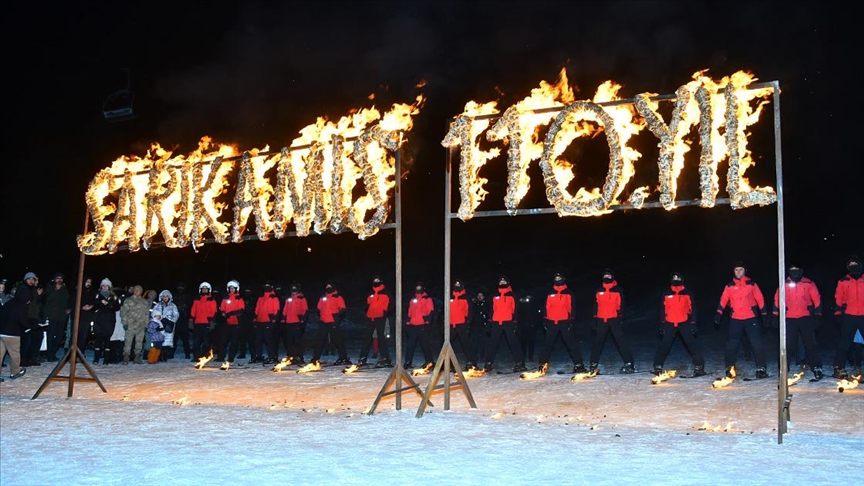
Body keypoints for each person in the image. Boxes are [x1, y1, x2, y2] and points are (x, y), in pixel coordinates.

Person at [714, 261, 768, 379]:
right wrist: (719, 313)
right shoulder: (730, 286)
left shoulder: (751, 284)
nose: (738, 272)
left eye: (741, 269)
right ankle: (730, 367)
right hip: (736, 318)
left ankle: (761, 367)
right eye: (736, 270)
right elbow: (723, 299)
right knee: (732, 344)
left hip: (750, 318)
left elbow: (760, 299)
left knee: (756, 343)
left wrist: (764, 314)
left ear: (745, 271)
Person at [771, 264, 823, 380]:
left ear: (801, 271)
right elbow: (777, 299)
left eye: (797, 270)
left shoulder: (808, 283)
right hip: (789, 318)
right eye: (792, 270)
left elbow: (817, 299)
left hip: (805, 317)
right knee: (787, 345)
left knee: (810, 344)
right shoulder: (783, 283)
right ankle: (783, 369)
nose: (794, 272)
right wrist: (775, 315)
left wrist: (818, 315)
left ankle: (817, 367)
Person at [653, 272, 705, 376]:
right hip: (669, 322)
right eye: (674, 278)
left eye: (678, 278)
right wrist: (662, 323)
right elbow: (663, 309)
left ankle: (699, 366)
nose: (676, 279)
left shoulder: (687, 293)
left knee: (691, 344)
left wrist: (693, 322)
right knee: (664, 345)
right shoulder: (667, 293)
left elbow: (693, 308)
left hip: (684, 322)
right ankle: (658, 366)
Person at [537, 273, 585, 373]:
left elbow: (572, 307)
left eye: (559, 278)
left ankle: (578, 364)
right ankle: (542, 364)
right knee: (547, 344)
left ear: (563, 279)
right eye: (556, 278)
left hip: (564, 322)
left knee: (571, 343)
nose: (558, 279)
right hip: (551, 322)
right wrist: (545, 320)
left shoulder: (568, 293)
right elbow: (546, 307)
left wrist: (571, 320)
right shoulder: (550, 293)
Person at [589, 269, 635, 373]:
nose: (607, 277)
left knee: (620, 341)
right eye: (605, 276)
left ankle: (629, 363)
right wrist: (594, 319)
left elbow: (621, 304)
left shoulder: (617, 290)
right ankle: (593, 364)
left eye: (609, 276)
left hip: (614, 319)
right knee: (598, 342)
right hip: (601, 319)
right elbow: (595, 305)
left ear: (612, 277)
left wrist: (620, 318)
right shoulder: (599, 290)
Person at [484, 275, 527, 373]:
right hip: (496, 321)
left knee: (513, 342)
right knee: (492, 343)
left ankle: (519, 362)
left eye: (504, 281)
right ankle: (488, 362)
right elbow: (492, 309)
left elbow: (516, 309)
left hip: (508, 322)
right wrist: (490, 321)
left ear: (507, 283)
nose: (502, 283)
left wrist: (515, 321)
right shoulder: (495, 296)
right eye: (500, 282)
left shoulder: (512, 295)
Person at [831, 255, 864, 379]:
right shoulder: (843, 281)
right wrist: (838, 313)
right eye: (851, 266)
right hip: (849, 315)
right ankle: (838, 367)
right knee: (844, 342)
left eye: (856, 265)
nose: (854, 268)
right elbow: (838, 298)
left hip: (863, 315)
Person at [311, 281, 351, 366]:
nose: (328, 288)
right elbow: (318, 309)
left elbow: (343, 309)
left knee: (338, 340)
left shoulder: (338, 297)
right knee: (320, 340)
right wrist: (321, 316)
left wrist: (336, 318)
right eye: (327, 286)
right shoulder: (323, 297)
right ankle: (315, 358)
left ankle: (343, 358)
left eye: (330, 286)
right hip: (323, 321)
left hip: (333, 321)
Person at [357, 275, 393, 368]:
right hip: (371, 318)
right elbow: (366, 305)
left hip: (381, 317)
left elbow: (392, 304)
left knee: (382, 338)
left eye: (377, 280)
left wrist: (385, 312)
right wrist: (368, 311)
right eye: (374, 280)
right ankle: (363, 357)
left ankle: (385, 358)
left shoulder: (386, 293)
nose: (376, 282)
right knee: (367, 338)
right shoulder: (370, 293)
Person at [404, 281, 437, 369]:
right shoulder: (413, 299)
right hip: (413, 325)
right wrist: (408, 320)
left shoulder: (427, 299)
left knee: (425, 344)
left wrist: (427, 322)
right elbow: (409, 311)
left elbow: (430, 311)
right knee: (410, 344)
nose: (418, 289)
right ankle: (408, 361)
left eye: (420, 288)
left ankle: (429, 361)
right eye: (417, 288)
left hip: (423, 325)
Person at [449, 278, 479, 371]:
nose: (457, 286)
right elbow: (445, 310)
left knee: (466, 344)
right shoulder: (449, 297)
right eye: (455, 284)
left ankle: (472, 362)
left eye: (459, 284)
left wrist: (468, 322)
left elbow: (470, 311)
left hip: (462, 324)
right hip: (450, 324)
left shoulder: (466, 298)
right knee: (447, 344)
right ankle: (448, 363)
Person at [0, 277, 26, 380]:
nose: (1, 289)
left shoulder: (6, 298)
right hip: (6, 330)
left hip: (3, 329)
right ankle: (15, 372)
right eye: (0, 287)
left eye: (2, 287)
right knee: (14, 351)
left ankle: (15, 371)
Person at [43, 272, 71, 361]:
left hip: (62, 316)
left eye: (61, 279)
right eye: (58, 278)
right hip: (52, 316)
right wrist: (56, 290)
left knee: (59, 336)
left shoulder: (65, 289)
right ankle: (48, 354)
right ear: (54, 279)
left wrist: (69, 309)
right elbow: (48, 299)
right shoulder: (49, 287)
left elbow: (68, 300)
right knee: (50, 336)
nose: (59, 280)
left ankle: (53, 353)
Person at [278, 282, 309, 364]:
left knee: (297, 340)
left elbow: (305, 310)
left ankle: (299, 356)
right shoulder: (289, 298)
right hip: (289, 322)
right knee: (289, 341)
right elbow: (285, 309)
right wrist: (283, 318)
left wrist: (302, 320)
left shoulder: (302, 298)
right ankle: (291, 356)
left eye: (295, 288)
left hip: (297, 322)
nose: (293, 290)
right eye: (292, 288)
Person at [218, 280, 245, 365]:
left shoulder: (239, 299)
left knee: (234, 342)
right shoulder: (225, 298)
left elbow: (241, 310)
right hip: (226, 323)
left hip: (236, 324)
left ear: (237, 289)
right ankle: (220, 357)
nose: (232, 290)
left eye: (233, 288)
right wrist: (223, 313)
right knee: (223, 341)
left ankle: (230, 358)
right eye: (230, 288)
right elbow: (222, 308)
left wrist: (231, 313)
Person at [18, 272, 43, 367]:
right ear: (25, 280)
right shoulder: (23, 289)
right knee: (26, 339)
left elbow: (37, 302)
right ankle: (23, 359)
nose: (31, 281)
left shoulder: (33, 289)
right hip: (25, 317)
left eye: (33, 279)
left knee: (36, 338)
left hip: (34, 317)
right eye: (29, 279)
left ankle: (31, 358)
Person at [121, 285, 150, 364]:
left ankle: (137, 357)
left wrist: (146, 325)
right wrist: (125, 323)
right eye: (136, 290)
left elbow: (147, 314)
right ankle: (126, 357)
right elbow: (123, 313)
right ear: (133, 291)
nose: (137, 291)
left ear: (141, 291)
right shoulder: (128, 300)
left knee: (139, 342)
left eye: (139, 290)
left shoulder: (144, 302)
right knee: (128, 342)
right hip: (130, 325)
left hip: (141, 325)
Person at [253, 282, 281, 364]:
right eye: (265, 286)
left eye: (268, 286)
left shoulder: (274, 298)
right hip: (259, 321)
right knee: (258, 340)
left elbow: (277, 310)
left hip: (268, 321)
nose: (266, 288)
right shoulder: (261, 298)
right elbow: (257, 308)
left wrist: (273, 320)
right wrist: (255, 318)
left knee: (268, 340)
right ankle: (258, 356)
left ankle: (272, 356)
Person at [190, 282, 217, 361]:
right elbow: (193, 310)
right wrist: (191, 320)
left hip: (207, 323)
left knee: (206, 342)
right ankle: (196, 357)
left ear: (209, 290)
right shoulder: (197, 299)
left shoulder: (212, 300)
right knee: (196, 342)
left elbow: (214, 312)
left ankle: (203, 356)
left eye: (206, 289)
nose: (204, 290)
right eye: (203, 289)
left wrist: (212, 322)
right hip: (197, 323)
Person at [153, 290, 180, 360]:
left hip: (169, 325)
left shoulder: (173, 306)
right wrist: (158, 319)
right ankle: (159, 356)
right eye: (164, 296)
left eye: (167, 296)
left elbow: (176, 315)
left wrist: (171, 321)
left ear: (169, 297)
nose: (165, 298)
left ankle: (165, 355)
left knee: (167, 340)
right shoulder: (157, 305)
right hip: (159, 324)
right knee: (159, 340)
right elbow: (153, 313)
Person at [173, 283, 193, 359]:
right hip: (176, 320)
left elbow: (191, 308)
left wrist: (190, 319)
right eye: (179, 287)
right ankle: (171, 353)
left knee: (185, 339)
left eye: (182, 287)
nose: (180, 288)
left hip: (184, 320)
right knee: (174, 338)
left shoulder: (188, 297)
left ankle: (187, 354)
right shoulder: (174, 296)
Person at [470, 290, 489, 362]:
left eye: (481, 296)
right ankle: (474, 357)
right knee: (474, 342)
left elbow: (488, 314)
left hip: (483, 326)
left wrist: (488, 323)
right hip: (475, 326)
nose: (479, 297)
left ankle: (483, 356)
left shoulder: (486, 305)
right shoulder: (474, 304)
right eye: (478, 296)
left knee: (483, 342)